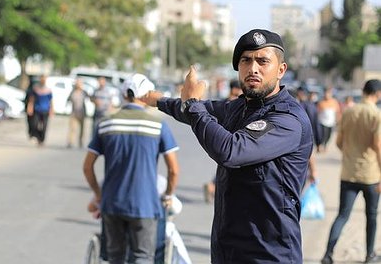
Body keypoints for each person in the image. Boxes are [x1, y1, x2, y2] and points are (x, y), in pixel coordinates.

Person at [141, 29, 313, 263]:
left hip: (269, 254)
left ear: (281, 70)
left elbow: (231, 151)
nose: (253, 68)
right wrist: (158, 101)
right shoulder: (239, 108)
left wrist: (192, 103)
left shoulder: (287, 119)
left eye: (263, 61)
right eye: (246, 60)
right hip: (227, 249)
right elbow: (194, 112)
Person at [83, 73, 180, 264]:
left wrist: (98, 194)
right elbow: (173, 170)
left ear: (124, 95)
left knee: (115, 258)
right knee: (142, 258)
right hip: (145, 204)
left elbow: (87, 167)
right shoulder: (158, 125)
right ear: (145, 95)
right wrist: (168, 195)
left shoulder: (105, 123)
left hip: (112, 203)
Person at [320, 79, 381, 264]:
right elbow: (378, 145)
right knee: (371, 216)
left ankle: (328, 254)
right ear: (377, 94)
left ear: (363, 91)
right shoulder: (376, 115)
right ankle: (369, 254)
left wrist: (350, 154)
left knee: (342, 215)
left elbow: (339, 142)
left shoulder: (348, 111)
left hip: (348, 173)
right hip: (370, 174)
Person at [203, 79, 243, 203]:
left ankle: (213, 186)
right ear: (235, 89)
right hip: (231, 141)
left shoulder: (223, 103)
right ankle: (213, 186)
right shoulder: (235, 104)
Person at [26, 74, 54, 147]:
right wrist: (30, 107)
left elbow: (50, 101)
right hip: (37, 109)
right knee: (34, 124)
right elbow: (32, 99)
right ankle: (37, 136)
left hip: (45, 110)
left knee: (44, 126)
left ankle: (41, 140)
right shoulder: (36, 89)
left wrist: (51, 109)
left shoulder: (48, 90)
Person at [316, 87, 341, 153]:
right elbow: (318, 112)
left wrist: (338, 120)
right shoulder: (321, 102)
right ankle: (321, 146)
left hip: (331, 122)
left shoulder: (334, 102)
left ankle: (325, 145)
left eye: (329, 93)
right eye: (326, 93)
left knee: (329, 136)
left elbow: (337, 112)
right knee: (323, 135)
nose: (327, 95)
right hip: (323, 122)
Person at [66, 78, 89, 149]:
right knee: (72, 129)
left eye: (80, 83)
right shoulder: (73, 92)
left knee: (82, 129)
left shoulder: (84, 92)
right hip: (74, 113)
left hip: (82, 113)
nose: (78, 85)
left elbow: (90, 98)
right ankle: (70, 142)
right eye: (77, 83)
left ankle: (81, 142)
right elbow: (68, 100)